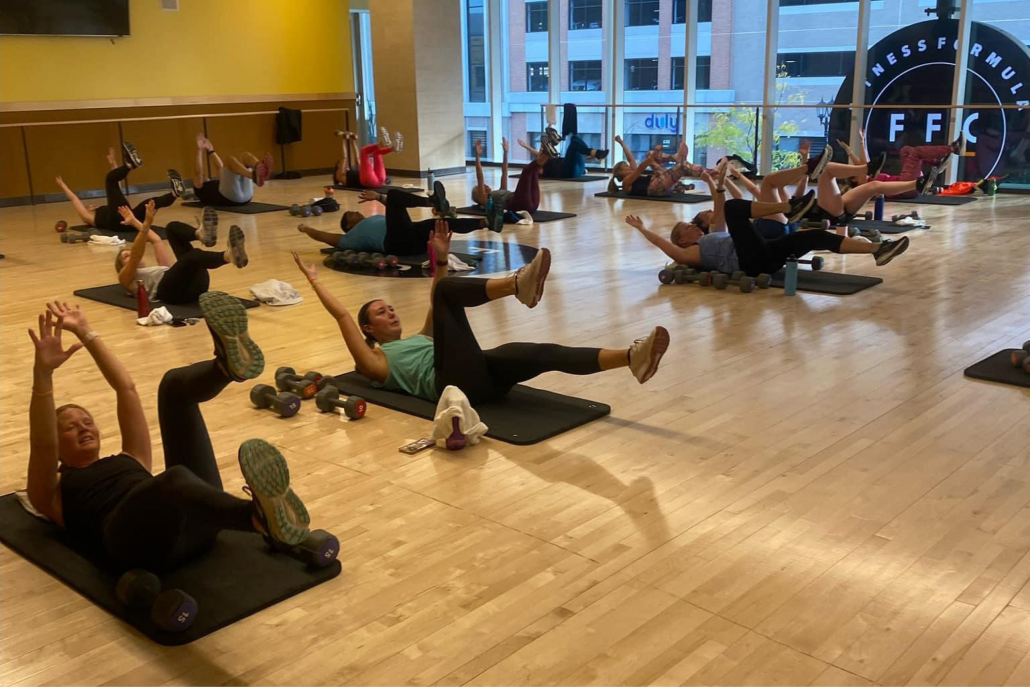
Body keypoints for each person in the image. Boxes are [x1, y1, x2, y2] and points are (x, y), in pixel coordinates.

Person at [25, 295, 313, 573]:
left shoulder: (131, 458)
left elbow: (126, 388)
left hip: (190, 529)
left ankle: (224, 369)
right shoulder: (52, 491)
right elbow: (41, 445)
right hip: (138, 548)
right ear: (58, 449)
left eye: (86, 421)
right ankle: (256, 518)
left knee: (172, 387)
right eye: (70, 426)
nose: (84, 427)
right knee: (174, 478)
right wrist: (43, 373)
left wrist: (86, 332)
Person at [292, 221, 671, 404]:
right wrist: (314, 282)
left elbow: (436, 296)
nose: (390, 313)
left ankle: (632, 358)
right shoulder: (374, 363)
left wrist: (440, 258)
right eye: (380, 312)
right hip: (452, 385)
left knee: (542, 352)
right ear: (367, 329)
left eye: (389, 308)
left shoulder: (420, 339)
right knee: (445, 297)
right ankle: (515, 285)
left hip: (479, 378)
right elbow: (343, 317)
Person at [627, 168, 911, 279]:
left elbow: (720, 205)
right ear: (683, 240)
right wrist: (643, 230)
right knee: (735, 209)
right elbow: (668, 249)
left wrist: (719, 181)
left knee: (816, 236)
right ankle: (791, 207)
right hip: (748, 261)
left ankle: (877, 250)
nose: (691, 226)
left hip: (764, 254)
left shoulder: (713, 234)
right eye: (685, 228)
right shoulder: (691, 253)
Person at [298, 183, 496, 256]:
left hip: (409, 237)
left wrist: (377, 197)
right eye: (352, 215)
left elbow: (395, 212)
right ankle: (431, 202)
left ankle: (486, 223)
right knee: (393, 195)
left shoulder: (372, 220)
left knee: (437, 225)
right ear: (349, 226)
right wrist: (306, 229)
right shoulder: (351, 238)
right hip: (395, 244)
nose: (357, 213)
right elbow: (324, 236)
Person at [115, 201, 247, 305]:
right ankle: (229, 256)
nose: (131, 254)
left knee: (172, 228)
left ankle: (200, 234)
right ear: (121, 267)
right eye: (126, 256)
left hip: (191, 284)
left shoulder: (155, 270)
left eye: (129, 252)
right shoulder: (125, 278)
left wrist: (135, 222)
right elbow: (137, 254)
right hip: (171, 294)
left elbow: (156, 241)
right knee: (193, 255)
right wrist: (146, 224)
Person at [55, 143, 181, 233]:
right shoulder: (88, 217)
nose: (90, 206)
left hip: (132, 220)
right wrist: (63, 185)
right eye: (88, 207)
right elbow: (74, 199)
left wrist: (113, 163)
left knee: (150, 203)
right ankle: (130, 165)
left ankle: (174, 194)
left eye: (89, 206)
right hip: (119, 223)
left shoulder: (107, 209)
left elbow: (117, 187)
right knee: (109, 181)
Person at [841, 128, 958, 199]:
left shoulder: (864, 179)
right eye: (856, 173)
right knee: (914, 153)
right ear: (855, 180)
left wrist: (849, 152)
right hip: (905, 186)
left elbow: (862, 165)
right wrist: (861, 142)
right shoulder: (863, 184)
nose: (860, 171)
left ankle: (937, 163)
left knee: (905, 151)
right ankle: (951, 148)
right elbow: (865, 164)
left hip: (907, 184)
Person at [471, 138, 557, 219]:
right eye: (483, 187)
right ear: (478, 194)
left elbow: (504, 171)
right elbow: (480, 177)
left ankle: (548, 151)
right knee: (527, 170)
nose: (486, 186)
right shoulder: (484, 199)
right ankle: (547, 152)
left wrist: (505, 152)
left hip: (532, 205)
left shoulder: (501, 190)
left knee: (534, 171)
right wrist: (477, 156)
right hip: (519, 204)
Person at [190, 134, 273, 207]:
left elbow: (219, 167)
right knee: (229, 160)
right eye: (203, 176)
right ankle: (253, 175)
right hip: (230, 198)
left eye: (203, 175)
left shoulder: (221, 185)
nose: (204, 176)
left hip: (244, 197)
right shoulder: (199, 188)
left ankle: (259, 167)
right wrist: (199, 150)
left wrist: (211, 150)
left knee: (244, 156)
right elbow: (198, 172)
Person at [609, 138, 708, 197]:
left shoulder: (631, 174)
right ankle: (708, 173)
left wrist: (621, 142)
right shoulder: (626, 182)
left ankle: (675, 157)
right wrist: (653, 156)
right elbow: (641, 168)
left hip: (658, 182)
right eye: (626, 167)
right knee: (681, 166)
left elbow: (631, 159)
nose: (630, 167)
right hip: (657, 189)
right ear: (621, 172)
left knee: (649, 154)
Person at [540, 128, 608, 180]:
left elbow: (546, 151)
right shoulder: (539, 165)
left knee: (575, 138)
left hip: (578, 168)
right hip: (567, 171)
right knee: (574, 144)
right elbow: (538, 169)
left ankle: (593, 153)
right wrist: (529, 148)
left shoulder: (551, 155)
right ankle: (595, 153)